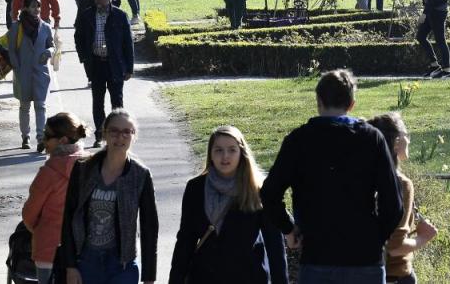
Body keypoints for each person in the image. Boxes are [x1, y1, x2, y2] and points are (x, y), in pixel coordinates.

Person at [260, 69, 404, 284]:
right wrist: (375, 238)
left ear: (318, 101)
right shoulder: (371, 139)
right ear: (352, 104)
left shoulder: (299, 140)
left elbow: (270, 193)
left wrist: (289, 229)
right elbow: (393, 203)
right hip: (364, 258)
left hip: (317, 253)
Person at [169, 126, 289, 284]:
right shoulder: (196, 188)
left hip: (249, 277)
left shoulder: (259, 189)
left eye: (232, 150)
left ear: (241, 153)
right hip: (204, 277)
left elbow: (275, 245)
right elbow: (186, 240)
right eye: (218, 150)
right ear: (211, 154)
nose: (225, 156)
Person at [60, 110, 158, 284]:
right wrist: (70, 266)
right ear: (104, 133)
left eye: (126, 132)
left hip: (122, 265)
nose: (120, 137)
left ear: (134, 136)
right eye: (114, 131)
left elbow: (149, 228)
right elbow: (68, 217)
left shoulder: (140, 175)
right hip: (86, 262)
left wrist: (149, 277)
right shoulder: (83, 169)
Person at [368, 112, 438, 284]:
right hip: (393, 276)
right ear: (396, 142)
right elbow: (395, 248)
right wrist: (423, 237)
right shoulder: (401, 184)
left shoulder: (361, 179)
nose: (409, 140)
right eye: (406, 135)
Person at [22, 113, 89, 284]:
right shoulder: (92, 166)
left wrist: (41, 230)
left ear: (63, 140)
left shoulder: (48, 173)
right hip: (84, 249)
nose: (43, 140)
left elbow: (29, 215)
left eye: (47, 136)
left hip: (48, 249)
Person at [75, 0, 134, 147]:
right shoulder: (87, 15)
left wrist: (129, 68)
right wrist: (83, 57)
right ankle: (100, 135)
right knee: (97, 101)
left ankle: (117, 135)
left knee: (117, 102)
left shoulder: (120, 16)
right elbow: (78, 37)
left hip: (115, 65)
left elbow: (128, 43)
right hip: (96, 65)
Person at [8, 0, 56, 151]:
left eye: (38, 6)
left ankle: (41, 138)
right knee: (25, 106)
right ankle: (25, 136)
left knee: (41, 105)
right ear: (26, 8)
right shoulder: (17, 27)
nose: (37, 9)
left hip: (41, 72)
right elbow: (11, 50)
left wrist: (48, 52)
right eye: (33, 6)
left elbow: (52, 46)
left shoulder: (46, 27)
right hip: (23, 72)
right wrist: (17, 67)